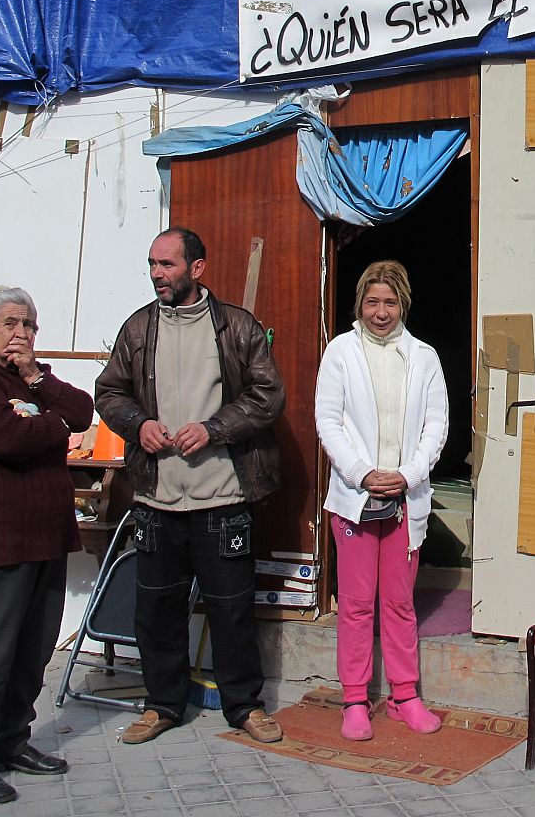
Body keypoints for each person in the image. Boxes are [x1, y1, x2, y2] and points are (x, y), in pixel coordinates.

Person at [95, 228, 286, 746]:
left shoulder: (236, 327)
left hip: (222, 497)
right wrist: (138, 424)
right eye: (152, 264)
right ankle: (161, 706)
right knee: (156, 611)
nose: (157, 274)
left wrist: (214, 428)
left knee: (232, 611)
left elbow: (269, 396)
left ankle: (244, 706)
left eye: (167, 265)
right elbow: (108, 391)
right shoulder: (136, 329)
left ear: (196, 269)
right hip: (157, 499)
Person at [0, 285, 93, 805]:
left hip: (45, 535)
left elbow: (82, 410)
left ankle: (12, 742)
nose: (22, 334)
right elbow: (8, 440)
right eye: (11, 323)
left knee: (32, 651)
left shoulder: (31, 381)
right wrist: (55, 428)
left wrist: (37, 381)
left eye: (29, 324)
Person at [315, 260, 450, 741]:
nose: (380, 312)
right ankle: (354, 698)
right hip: (354, 499)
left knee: (398, 603)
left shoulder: (424, 357)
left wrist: (408, 474)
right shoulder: (340, 352)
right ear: (359, 304)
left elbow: (437, 425)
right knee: (355, 604)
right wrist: (362, 473)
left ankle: (404, 695)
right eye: (372, 302)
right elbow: (328, 421)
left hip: (404, 500)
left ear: (403, 304)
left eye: (390, 302)